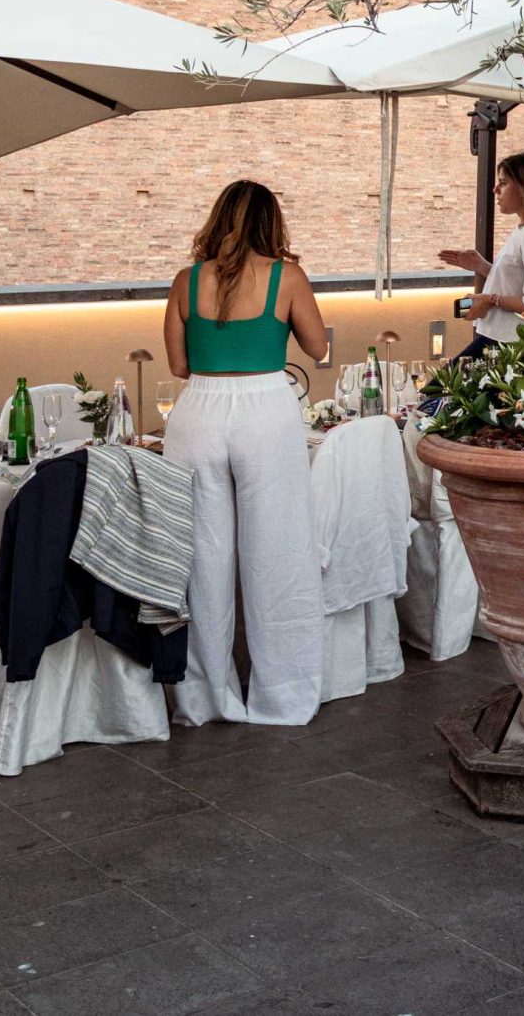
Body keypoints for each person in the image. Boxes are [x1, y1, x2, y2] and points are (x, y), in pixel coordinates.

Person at [159, 180, 331, 726]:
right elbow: (318, 348)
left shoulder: (186, 282)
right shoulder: (286, 276)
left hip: (198, 412)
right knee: (278, 555)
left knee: (202, 559)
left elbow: (179, 367)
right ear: (271, 223)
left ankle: (205, 698)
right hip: (265, 408)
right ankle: (282, 696)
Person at [437, 151, 524, 358]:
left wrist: (489, 299)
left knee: (438, 389)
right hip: (504, 340)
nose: (495, 189)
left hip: (516, 347)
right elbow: (520, 283)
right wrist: (482, 266)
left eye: (503, 182)